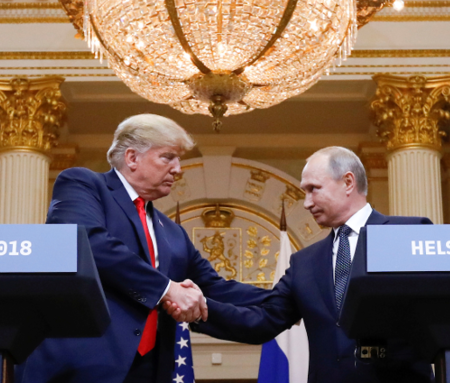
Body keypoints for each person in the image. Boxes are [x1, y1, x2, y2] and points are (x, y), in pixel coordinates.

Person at [17, 114, 267, 383]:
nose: (178, 169)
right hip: (80, 368)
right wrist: (166, 289)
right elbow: (88, 242)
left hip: (150, 370)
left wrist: (287, 299)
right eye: (168, 157)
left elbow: (214, 286)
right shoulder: (83, 184)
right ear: (132, 158)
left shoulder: (172, 233)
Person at [167, 146, 434, 383]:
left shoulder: (407, 233)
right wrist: (200, 309)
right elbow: (264, 320)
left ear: (348, 182)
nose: (306, 203)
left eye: (313, 189)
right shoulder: (304, 262)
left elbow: (436, 310)